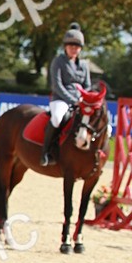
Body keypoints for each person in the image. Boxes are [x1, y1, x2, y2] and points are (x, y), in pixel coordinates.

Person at [41, 22, 91, 166]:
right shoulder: (58, 61)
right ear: (65, 47)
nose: (74, 49)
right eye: (71, 46)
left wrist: (83, 99)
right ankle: (45, 152)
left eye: (77, 47)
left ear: (80, 49)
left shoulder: (84, 65)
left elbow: (87, 85)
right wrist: (73, 100)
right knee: (57, 118)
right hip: (60, 99)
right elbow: (57, 86)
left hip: (80, 100)